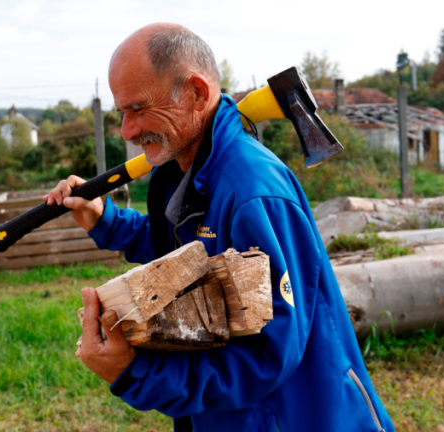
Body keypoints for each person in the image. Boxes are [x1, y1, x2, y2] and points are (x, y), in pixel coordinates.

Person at [44, 23, 394, 432]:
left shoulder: (252, 192)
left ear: (196, 94)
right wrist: (104, 219)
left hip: (288, 417)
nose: (127, 130)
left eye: (138, 108)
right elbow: (184, 256)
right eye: (122, 113)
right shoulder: (182, 169)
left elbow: (267, 354)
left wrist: (137, 373)